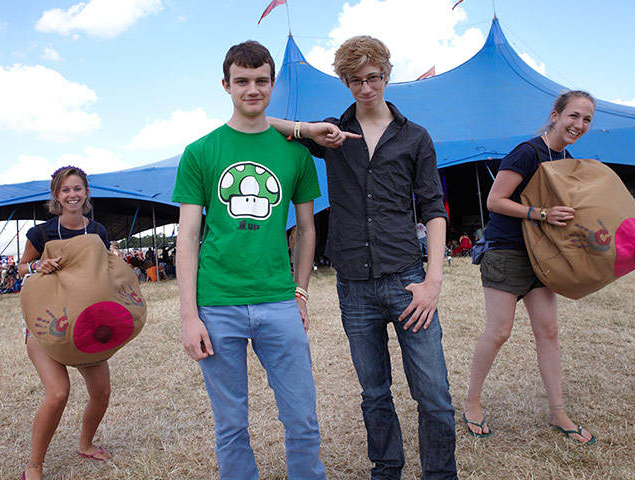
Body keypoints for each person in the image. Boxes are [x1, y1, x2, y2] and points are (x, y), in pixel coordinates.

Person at [269, 35, 456, 479]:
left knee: (434, 393)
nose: (366, 88)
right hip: (353, 285)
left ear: (387, 76)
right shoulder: (334, 134)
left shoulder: (415, 137)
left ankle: (440, 475)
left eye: (373, 78)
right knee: (374, 392)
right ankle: (387, 468)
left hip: (409, 280)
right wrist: (309, 131)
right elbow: (264, 123)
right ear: (345, 82)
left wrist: (433, 281)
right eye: (355, 80)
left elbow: (433, 208)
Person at [173, 40, 326, 479]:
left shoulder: (295, 155)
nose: (252, 89)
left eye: (261, 80)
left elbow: (307, 230)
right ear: (226, 85)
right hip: (217, 305)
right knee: (231, 425)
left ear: (273, 84)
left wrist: (300, 291)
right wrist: (189, 316)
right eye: (242, 81)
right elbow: (188, 236)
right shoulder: (200, 152)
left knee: (302, 419)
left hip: (279, 301)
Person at [463, 90, 597, 445]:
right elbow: (495, 201)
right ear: (555, 115)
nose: (579, 125)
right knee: (499, 331)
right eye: (573, 116)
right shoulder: (528, 152)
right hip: (506, 250)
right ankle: (471, 402)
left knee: (548, 331)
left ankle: (558, 412)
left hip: (542, 254)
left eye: (586, 120)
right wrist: (541, 214)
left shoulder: (566, 159)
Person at [17, 166, 113, 480]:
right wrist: (37, 265)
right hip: (47, 320)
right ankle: (34, 466)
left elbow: (103, 272)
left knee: (101, 392)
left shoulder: (97, 231)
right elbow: (21, 268)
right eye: (65, 190)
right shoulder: (41, 233)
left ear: (86, 193)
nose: (72, 195)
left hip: (86, 322)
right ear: (56, 196)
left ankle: (85, 445)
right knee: (58, 393)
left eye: (77, 189)